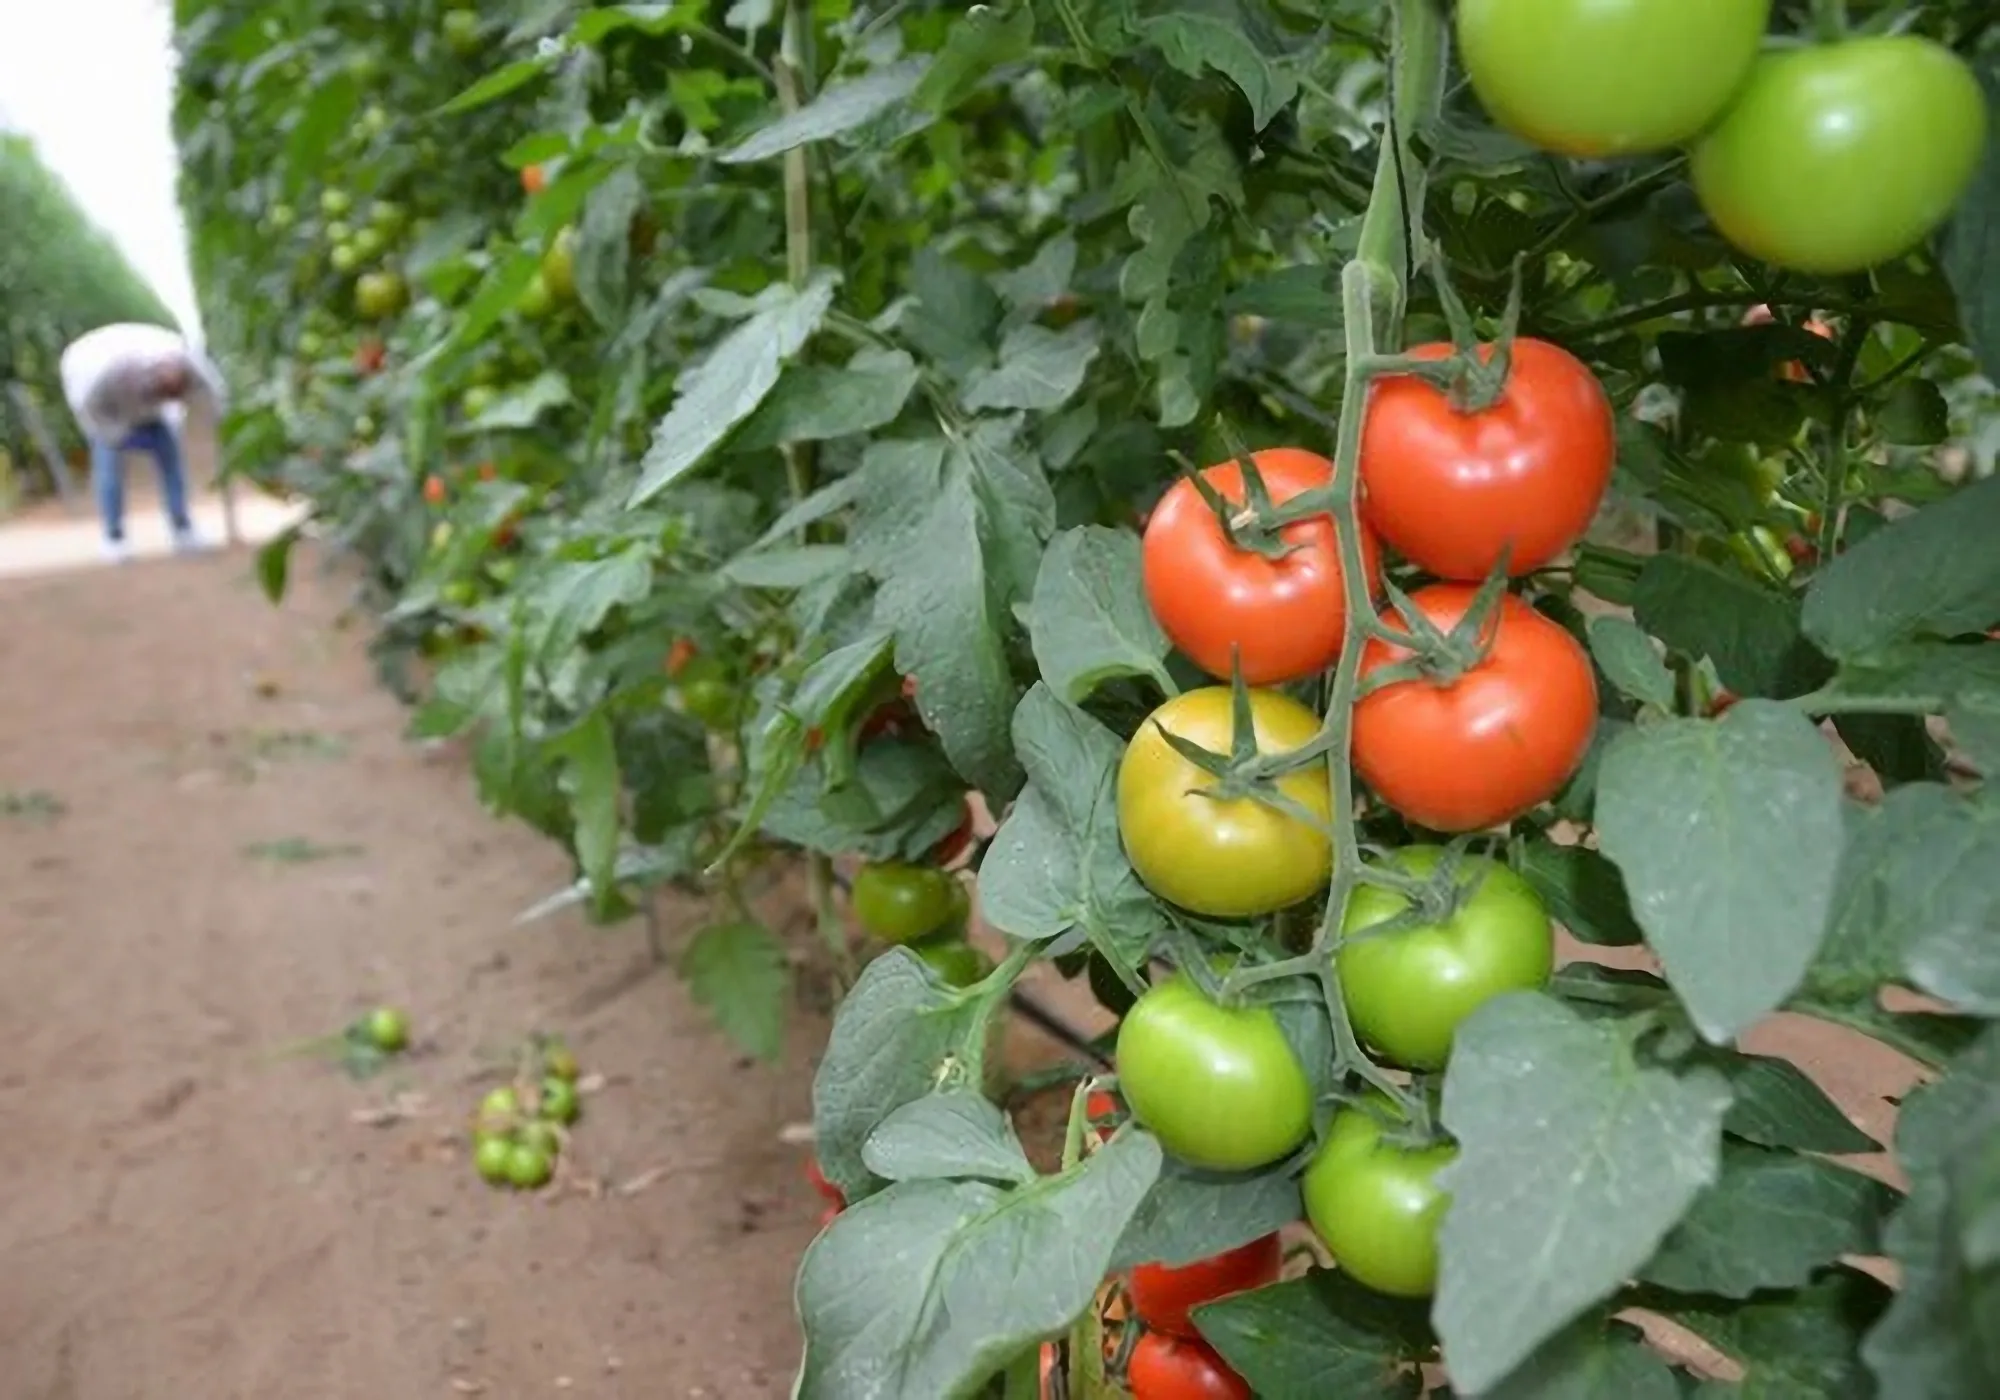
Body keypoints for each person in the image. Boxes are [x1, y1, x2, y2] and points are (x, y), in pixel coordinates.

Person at [58, 322, 227, 562]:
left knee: (171, 460)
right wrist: (115, 435)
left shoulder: (189, 366)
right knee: (109, 468)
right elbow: (89, 410)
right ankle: (113, 537)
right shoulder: (107, 372)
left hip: (148, 414)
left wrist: (223, 429)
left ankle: (182, 528)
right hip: (108, 413)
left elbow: (212, 398)